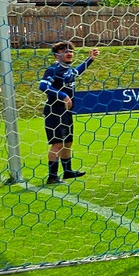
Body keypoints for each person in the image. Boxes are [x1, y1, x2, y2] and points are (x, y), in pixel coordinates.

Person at [39, 42, 99, 184]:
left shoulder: (68, 69)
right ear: (56, 55)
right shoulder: (53, 69)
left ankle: (67, 172)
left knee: (68, 142)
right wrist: (63, 96)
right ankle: (52, 176)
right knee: (58, 144)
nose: (69, 53)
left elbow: (77, 72)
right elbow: (43, 86)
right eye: (64, 51)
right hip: (54, 111)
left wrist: (90, 59)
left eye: (70, 50)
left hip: (66, 112)